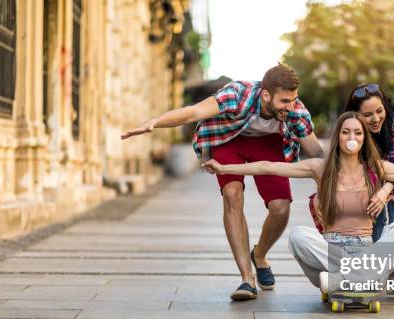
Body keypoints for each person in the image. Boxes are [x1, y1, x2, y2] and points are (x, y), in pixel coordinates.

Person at [202, 111, 394, 296]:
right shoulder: (321, 168)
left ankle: (345, 283)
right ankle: (360, 281)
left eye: (358, 133)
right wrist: (225, 167)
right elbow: (268, 167)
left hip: (364, 251)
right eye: (346, 132)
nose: (352, 138)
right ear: (339, 136)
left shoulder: (376, 168)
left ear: (364, 138)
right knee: (299, 235)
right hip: (330, 255)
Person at [121, 64, 325, 301]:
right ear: (266, 95)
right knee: (232, 194)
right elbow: (192, 113)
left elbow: (317, 155)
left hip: (269, 143)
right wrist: (155, 121)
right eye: (284, 101)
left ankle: (259, 254)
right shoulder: (236, 95)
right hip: (229, 138)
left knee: (280, 207)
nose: (290, 106)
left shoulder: (295, 111)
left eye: (293, 99)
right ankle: (247, 279)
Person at [344, 83, 394, 293]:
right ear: (355, 115)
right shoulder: (350, 127)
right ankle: (374, 268)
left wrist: (386, 191)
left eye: (379, 111)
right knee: (373, 214)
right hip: (370, 172)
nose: (375, 119)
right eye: (367, 114)